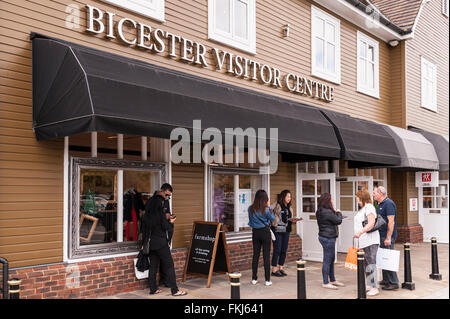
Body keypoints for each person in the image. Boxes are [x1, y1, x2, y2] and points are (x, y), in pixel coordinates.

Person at [141, 183, 187, 297]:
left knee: (153, 266)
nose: (166, 199)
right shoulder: (159, 211)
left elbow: (144, 229)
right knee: (169, 265)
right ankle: (175, 290)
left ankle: (153, 289)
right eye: (166, 196)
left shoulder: (147, 214)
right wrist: (171, 222)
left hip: (150, 242)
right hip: (160, 242)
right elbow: (165, 226)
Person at [354, 189, 380, 297]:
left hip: (370, 240)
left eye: (357, 196)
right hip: (363, 241)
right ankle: (369, 284)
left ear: (361, 198)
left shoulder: (369, 207)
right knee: (366, 264)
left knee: (371, 263)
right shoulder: (363, 208)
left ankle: (374, 287)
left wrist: (360, 232)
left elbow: (371, 223)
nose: (356, 198)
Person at [372, 186, 399, 290]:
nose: (373, 195)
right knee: (383, 258)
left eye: (374, 193)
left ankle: (393, 282)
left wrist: (388, 237)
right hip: (381, 235)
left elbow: (391, 222)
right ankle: (386, 280)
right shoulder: (380, 204)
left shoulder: (389, 204)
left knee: (388, 259)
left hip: (386, 236)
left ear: (381, 193)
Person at [316, 193, 344, 289]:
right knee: (327, 260)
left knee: (331, 259)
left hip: (325, 236)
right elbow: (338, 221)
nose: (332, 201)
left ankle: (332, 280)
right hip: (328, 238)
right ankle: (325, 282)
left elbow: (332, 220)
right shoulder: (327, 212)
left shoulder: (320, 211)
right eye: (331, 199)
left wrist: (335, 214)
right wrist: (339, 213)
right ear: (327, 201)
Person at [271, 190, 302, 277]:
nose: (289, 198)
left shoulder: (290, 208)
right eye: (288, 196)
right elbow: (268, 209)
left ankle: (281, 268)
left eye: (290, 197)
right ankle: (274, 270)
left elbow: (289, 220)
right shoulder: (277, 204)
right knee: (277, 249)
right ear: (283, 196)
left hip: (286, 231)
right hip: (277, 230)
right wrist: (273, 219)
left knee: (284, 250)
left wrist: (294, 220)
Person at [248, 189, 275, 286]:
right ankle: (267, 280)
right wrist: (270, 207)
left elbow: (250, 222)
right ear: (265, 199)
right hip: (265, 232)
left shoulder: (250, 209)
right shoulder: (267, 210)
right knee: (266, 256)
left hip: (255, 232)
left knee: (255, 255)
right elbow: (273, 218)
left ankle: (254, 278)